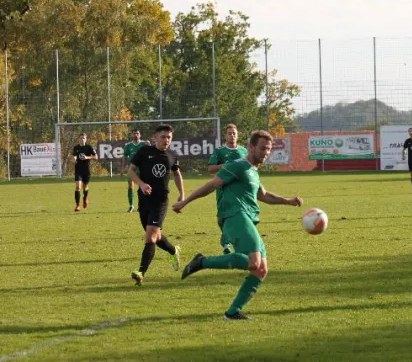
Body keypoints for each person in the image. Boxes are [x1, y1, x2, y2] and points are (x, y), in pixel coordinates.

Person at [173, 130, 303, 320]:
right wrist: (185, 201)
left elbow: (263, 195)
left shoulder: (254, 171)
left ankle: (232, 312)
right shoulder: (238, 165)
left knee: (261, 269)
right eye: (262, 148)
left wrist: (288, 201)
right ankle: (202, 261)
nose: (266, 152)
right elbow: (211, 185)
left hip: (248, 219)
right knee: (254, 261)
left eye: (268, 149)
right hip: (234, 216)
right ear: (251, 147)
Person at [128, 124, 184, 286]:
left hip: (161, 201)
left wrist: (182, 195)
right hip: (144, 200)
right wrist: (142, 184)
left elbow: (177, 174)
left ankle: (140, 272)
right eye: (163, 137)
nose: (166, 140)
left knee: (151, 235)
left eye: (169, 137)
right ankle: (173, 250)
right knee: (156, 236)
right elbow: (131, 171)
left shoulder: (172, 155)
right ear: (155, 137)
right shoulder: (144, 152)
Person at [208, 123, 248, 254]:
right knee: (222, 217)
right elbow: (210, 169)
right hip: (223, 188)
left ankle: (227, 242)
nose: (232, 135)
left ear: (238, 135)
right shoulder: (219, 151)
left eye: (234, 133)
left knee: (240, 214)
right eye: (229, 133)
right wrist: (226, 165)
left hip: (240, 189)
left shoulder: (243, 151)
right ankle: (226, 237)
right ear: (225, 135)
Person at [122, 128, 147, 213]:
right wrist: (123, 168)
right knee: (130, 186)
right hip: (132, 169)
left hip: (142, 168)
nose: (135, 135)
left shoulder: (144, 144)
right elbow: (125, 157)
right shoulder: (128, 146)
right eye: (134, 133)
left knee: (141, 187)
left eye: (137, 133)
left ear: (140, 135)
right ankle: (131, 205)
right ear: (131, 135)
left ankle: (141, 205)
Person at [72, 133, 98, 212]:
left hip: (86, 170)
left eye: (83, 138)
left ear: (86, 139)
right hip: (78, 170)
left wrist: (87, 157)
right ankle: (77, 205)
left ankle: (85, 198)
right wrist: (74, 159)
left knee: (85, 187)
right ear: (78, 139)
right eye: (80, 138)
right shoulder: (76, 148)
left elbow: (96, 157)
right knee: (77, 187)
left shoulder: (89, 147)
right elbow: (73, 156)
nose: (82, 139)